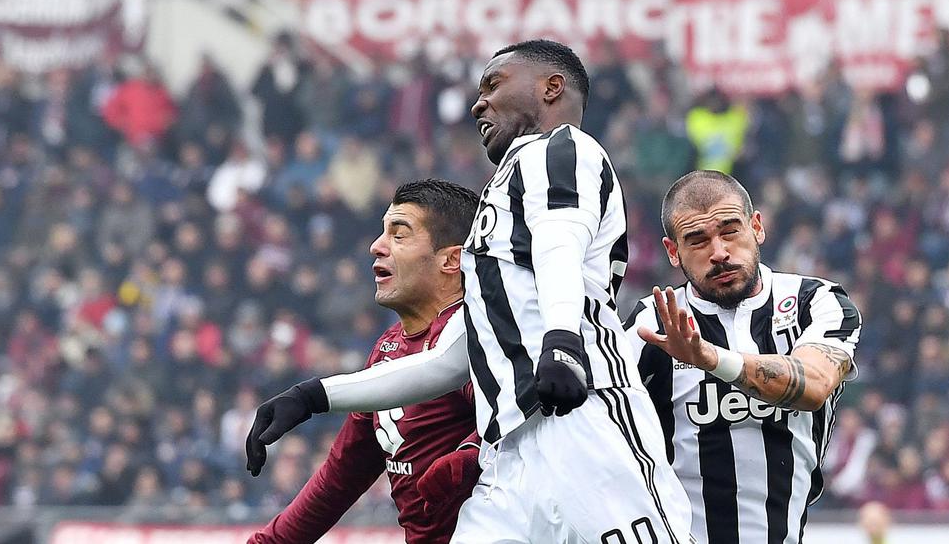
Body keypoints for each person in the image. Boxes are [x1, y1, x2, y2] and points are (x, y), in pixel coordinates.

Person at [246, 40, 692, 543]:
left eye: (493, 85)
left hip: (585, 420)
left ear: (551, 88)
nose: (478, 103)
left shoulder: (562, 149)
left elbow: (558, 244)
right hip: (509, 454)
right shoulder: (501, 198)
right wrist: (312, 396)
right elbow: (453, 359)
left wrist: (564, 343)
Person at [627, 170, 861, 544]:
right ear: (673, 252)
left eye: (730, 231)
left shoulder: (815, 302)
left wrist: (709, 358)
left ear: (757, 228)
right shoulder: (649, 326)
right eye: (697, 240)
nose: (719, 253)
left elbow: (814, 385)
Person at [247, 179, 483, 544]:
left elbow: (517, 427)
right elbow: (341, 476)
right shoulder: (388, 348)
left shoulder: (481, 339)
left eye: (399, 235)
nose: (377, 246)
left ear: (451, 260)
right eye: (382, 232)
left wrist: (471, 454)